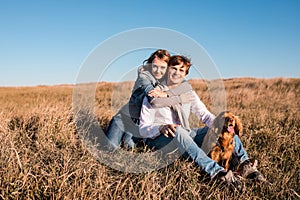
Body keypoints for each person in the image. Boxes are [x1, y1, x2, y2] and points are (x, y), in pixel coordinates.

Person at [139, 55, 265, 188]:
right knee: (178, 130)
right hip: (160, 137)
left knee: (225, 127)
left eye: (182, 70)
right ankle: (218, 173)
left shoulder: (187, 93)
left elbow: (204, 115)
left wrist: (219, 125)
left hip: (185, 133)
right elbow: (143, 128)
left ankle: (245, 165)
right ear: (168, 70)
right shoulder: (154, 93)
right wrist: (160, 128)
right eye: (174, 68)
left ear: (185, 74)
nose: (177, 73)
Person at [105, 49, 193, 151]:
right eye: (155, 66)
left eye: (162, 67)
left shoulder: (167, 79)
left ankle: (130, 139)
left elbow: (186, 85)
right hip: (124, 118)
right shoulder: (144, 77)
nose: (158, 71)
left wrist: (166, 94)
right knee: (110, 146)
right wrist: (179, 99)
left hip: (139, 124)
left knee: (129, 147)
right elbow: (154, 101)